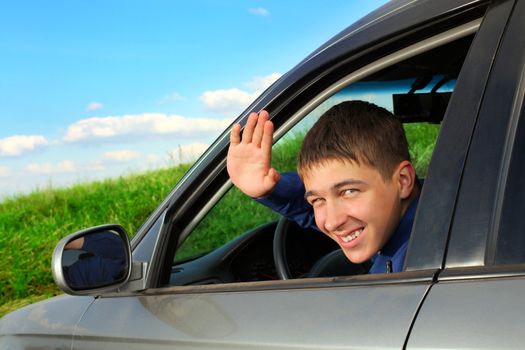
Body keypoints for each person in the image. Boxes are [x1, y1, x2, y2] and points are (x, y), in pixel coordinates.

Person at [227, 101, 420, 274]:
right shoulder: (419, 222)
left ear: (403, 181)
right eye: (318, 200)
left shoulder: (415, 266)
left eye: (349, 192)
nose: (332, 222)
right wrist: (270, 189)